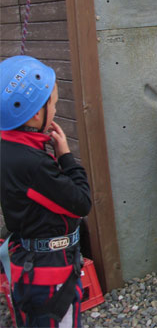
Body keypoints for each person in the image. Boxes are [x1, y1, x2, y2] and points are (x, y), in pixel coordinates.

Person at [0, 55, 92, 327]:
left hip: (30, 261)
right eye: (52, 104)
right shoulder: (32, 163)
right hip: (48, 272)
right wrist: (65, 157)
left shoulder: (9, 144)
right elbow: (82, 202)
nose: (55, 110)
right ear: (34, 114)